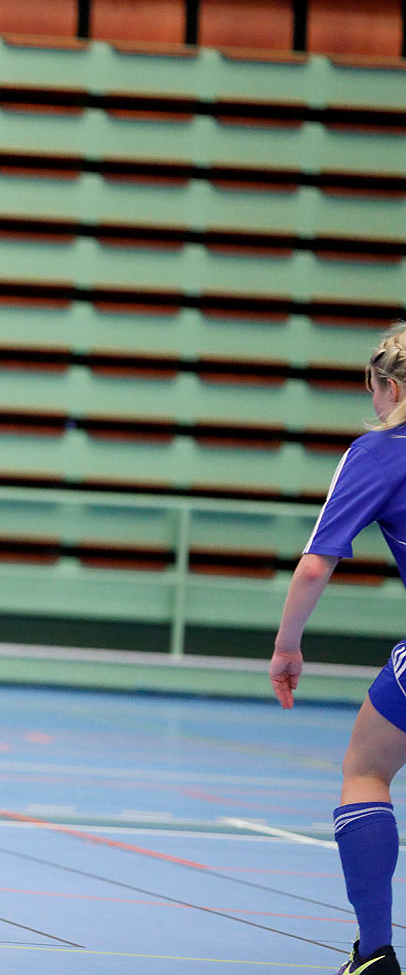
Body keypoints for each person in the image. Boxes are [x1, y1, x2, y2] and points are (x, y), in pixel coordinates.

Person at [270, 322, 406, 975]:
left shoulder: (381, 452)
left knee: (366, 769)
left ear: (385, 385)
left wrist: (286, 646)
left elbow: (314, 566)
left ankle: (375, 951)